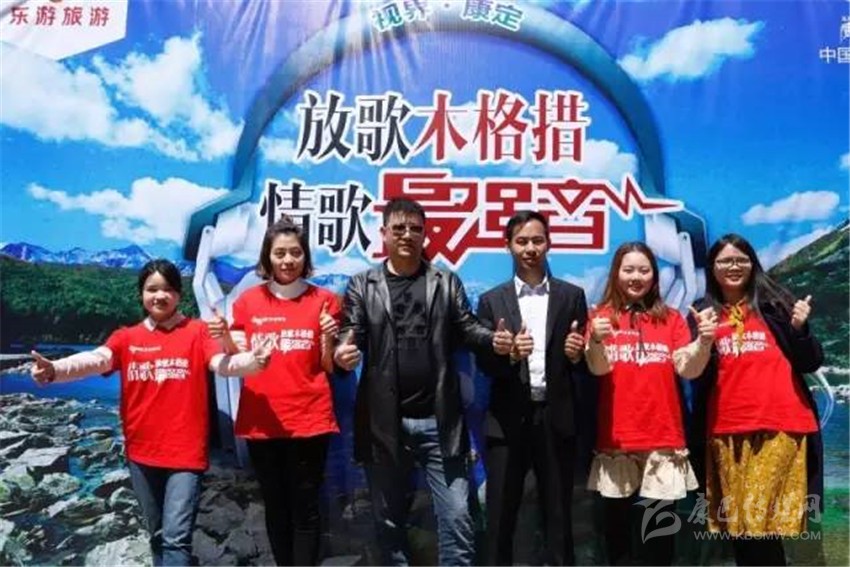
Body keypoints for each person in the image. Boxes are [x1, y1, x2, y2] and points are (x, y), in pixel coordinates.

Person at [30, 259, 268, 567]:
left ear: (178, 294)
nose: (159, 296)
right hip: (141, 453)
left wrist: (253, 362)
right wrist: (54, 370)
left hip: (185, 454)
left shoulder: (198, 332)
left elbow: (223, 364)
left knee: (176, 538)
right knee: (156, 535)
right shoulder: (126, 337)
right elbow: (95, 360)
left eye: (167, 289)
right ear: (141, 294)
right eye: (151, 289)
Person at [333, 197, 514, 566]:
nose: (407, 235)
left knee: (457, 516)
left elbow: (467, 328)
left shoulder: (444, 281)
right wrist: (341, 354)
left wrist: (493, 340)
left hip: (440, 420)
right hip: (383, 423)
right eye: (399, 228)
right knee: (387, 522)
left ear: (425, 234)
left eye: (415, 229)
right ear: (384, 233)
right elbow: (352, 332)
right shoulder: (362, 284)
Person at [208, 217, 341, 566]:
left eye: (295, 252)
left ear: (305, 256)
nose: (287, 260)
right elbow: (239, 356)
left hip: (310, 420)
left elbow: (329, 367)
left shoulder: (325, 301)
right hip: (262, 421)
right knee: (276, 505)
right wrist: (224, 336)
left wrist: (329, 338)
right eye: (279, 253)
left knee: (306, 508)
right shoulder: (248, 302)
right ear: (267, 257)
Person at [688, 234, 823, 566]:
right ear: (712, 268)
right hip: (726, 431)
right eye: (725, 261)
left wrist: (799, 329)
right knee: (740, 524)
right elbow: (695, 374)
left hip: (780, 426)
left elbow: (810, 362)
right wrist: (702, 339)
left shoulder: (776, 305)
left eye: (740, 260)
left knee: (759, 520)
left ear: (753, 264)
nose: (733, 267)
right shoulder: (703, 312)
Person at [584, 242, 716, 565]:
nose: (636, 277)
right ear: (616, 274)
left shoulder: (672, 318)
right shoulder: (600, 317)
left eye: (644, 270)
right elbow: (597, 367)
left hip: (662, 443)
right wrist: (596, 338)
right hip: (616, 443)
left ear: (655, 276)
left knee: (657, 540)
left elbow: (688, 368)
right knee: (618, 541)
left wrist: (704, 342)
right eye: (628, 269)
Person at [475, 210, 588, 565]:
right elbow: (484, 365)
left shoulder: (572, 296)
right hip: (507, 421)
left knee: (558, 514)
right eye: (521, 241)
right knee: (500, 514)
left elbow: (584, 362)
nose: (530, 248)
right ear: (507, 246)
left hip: (557, 417)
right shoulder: (492, 300)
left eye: (537, 240)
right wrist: (508, 355)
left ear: (549, 243)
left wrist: (577, 354)